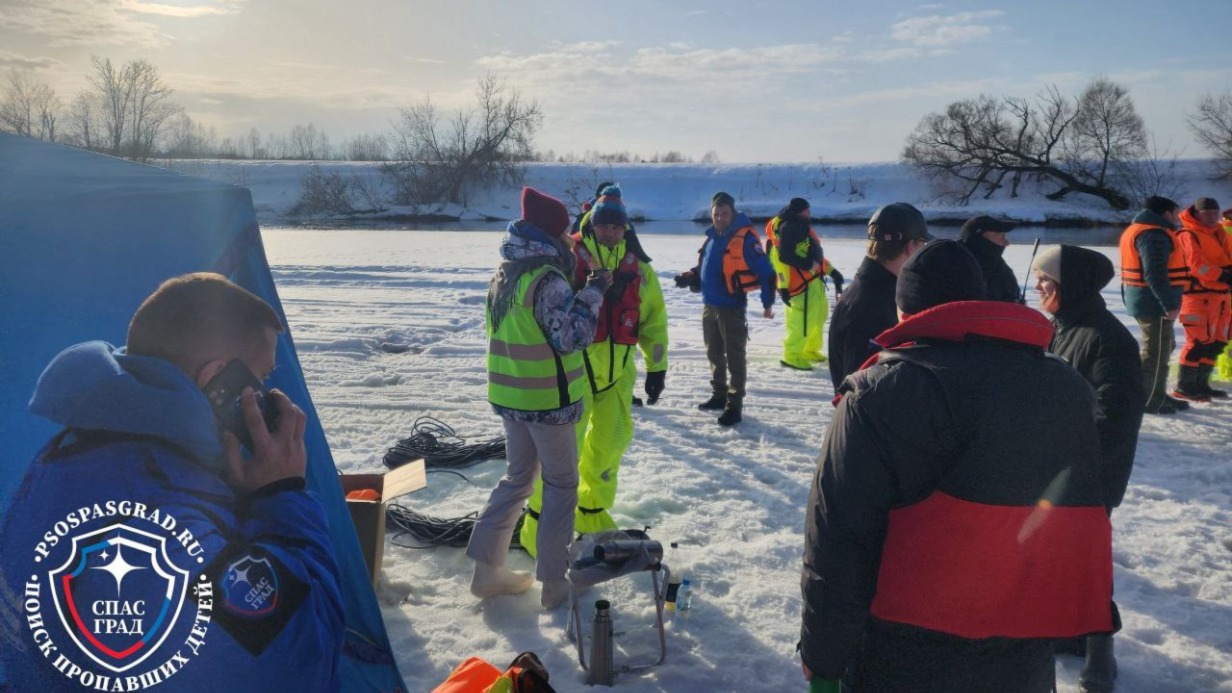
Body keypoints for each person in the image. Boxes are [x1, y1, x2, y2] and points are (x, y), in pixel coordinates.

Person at [0, 273, 345, 691]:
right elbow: (305, 661)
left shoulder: (72, 453)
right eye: (262, 381)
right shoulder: (157, 534)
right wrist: (281, 495)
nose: (271, 400)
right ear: (218, 381)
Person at [801, 240, 1115, 693]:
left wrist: (823, 658)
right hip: (1023, 648)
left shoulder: (881, 393)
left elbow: (839, 536)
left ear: (904, 310)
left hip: (905, 652)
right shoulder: (1065, 384)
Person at [467, 186, 611, 610]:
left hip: (512, 397)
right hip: (548, 403)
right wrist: (593, 292)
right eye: (565, 233)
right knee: (562, 485)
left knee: (517, 480)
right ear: (549, 235)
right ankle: (553, 583)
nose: (570, 239)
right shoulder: (547, 279)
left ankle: (486, 571)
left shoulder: (504, 273)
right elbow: (572, 336)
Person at [518, 185, 668, 554]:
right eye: (604, 225)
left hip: (618, 376)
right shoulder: (568, 257)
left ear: (625, 228)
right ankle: (535, 524)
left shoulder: (641, 269)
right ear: (593, 223)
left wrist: (657, 366)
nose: (610, 232)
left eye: (617, 226)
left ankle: (591, 511)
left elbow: (654, 321)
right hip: (574, 373)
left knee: (609, 446)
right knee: (560, 455)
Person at [1032, 244, 1143, 693]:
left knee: (1086, 561)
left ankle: (1101, 647)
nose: (1038, 286)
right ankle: (1070, 631)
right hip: (1056, 468)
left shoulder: (1109, 339)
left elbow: (1113, 418)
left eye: (1046, 280)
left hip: (1092, 472)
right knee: (1057, 557)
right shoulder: (1062, 325)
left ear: (1069, 285)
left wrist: (1068, 456)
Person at [673, 192, 775, 426]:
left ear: (733, 213)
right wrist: (690, 276)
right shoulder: (712, 238)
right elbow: (704, 267)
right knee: (714, 354)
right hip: (709, 306)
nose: (719, 218)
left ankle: (734, 405)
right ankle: (719, 396)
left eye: (724, 214)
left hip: (732, 309)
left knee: (735, 358)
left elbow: (767, 273)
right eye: (716, 214)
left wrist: (767, 303)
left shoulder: (745, 239)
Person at [826, 202, 931, 389]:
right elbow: (863, 392)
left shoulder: (873, 289)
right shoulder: (872, 306)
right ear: (909, 247)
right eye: (923, 244)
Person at [1119, 195, 1188, 414]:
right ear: (1166, 213)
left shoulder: (1143, 229)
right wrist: (1168, 304)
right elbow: (1154, 273)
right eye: (1176, 213)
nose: (1178, 218)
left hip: (1146, 299)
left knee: (1164, 347)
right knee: (1156, 353)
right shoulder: (1153, 234)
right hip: (1154, 303)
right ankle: (1149, 400)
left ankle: (1157, 393)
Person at [765, 197, 844, 370]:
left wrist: (832, 272)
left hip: (814, 284)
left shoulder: (802, 227)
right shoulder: (788, 231)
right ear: (799, 211)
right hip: (799, 288)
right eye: (807, 210)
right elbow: (782, 263)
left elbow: (814, 255)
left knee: (819, 317)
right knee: (801, 322)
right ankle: (792, 355)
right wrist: (784, 288)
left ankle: (809, 349)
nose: (809, 213)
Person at [1170, 197, 1232, 402]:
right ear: (1197, 214)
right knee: (1197, 342)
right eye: (1208, 213)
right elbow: (1198, 265)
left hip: (1221, 297)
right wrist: (1222, 275)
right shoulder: (1188, 235)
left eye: (1216, 212)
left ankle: (1201, 384)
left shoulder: (1220, 233)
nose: (1213, 216)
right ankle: (1184, 386)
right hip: (1198, 297)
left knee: (1216, 342)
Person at [958, 215, 1024, 303]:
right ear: (980, 239)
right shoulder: (957, 266)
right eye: (1001, 237)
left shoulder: (998, 264)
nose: (1006, 243)